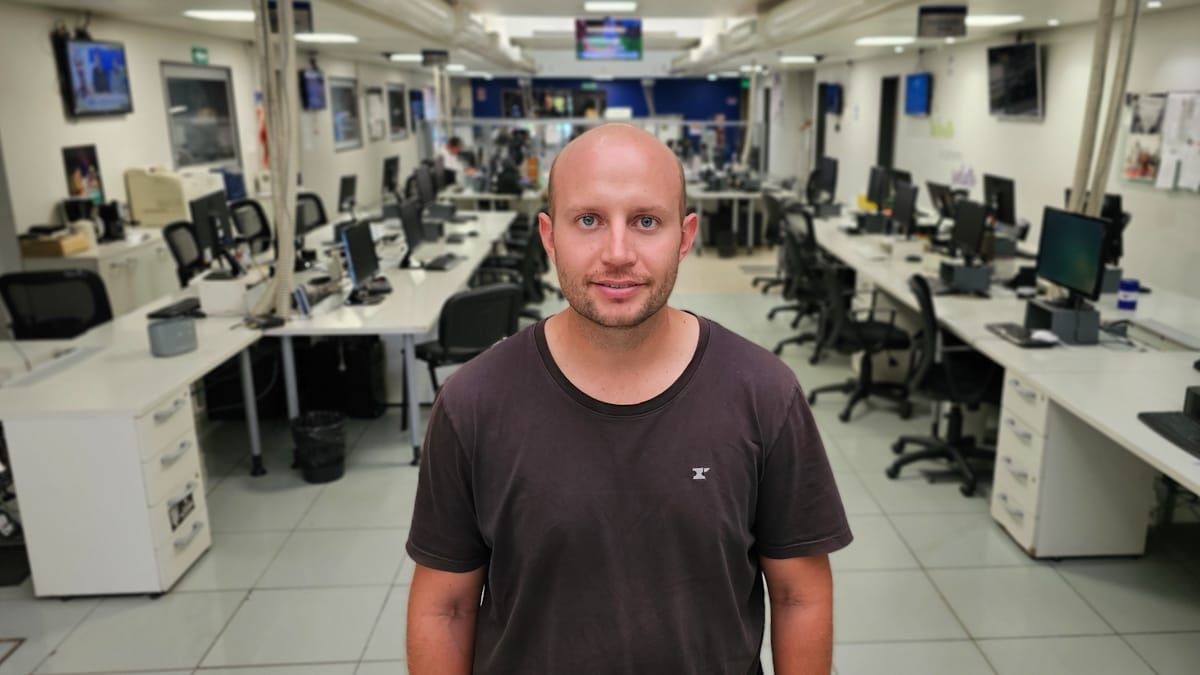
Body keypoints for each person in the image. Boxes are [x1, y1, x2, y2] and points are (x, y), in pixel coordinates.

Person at [406, 123, 851, 675]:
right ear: (548, 235)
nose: (618, 253)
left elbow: (798, 596)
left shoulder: (764, 394)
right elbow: (444, 605)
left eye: (646, 221)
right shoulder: (473, 402)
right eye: (588, 220)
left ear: (685, 236)